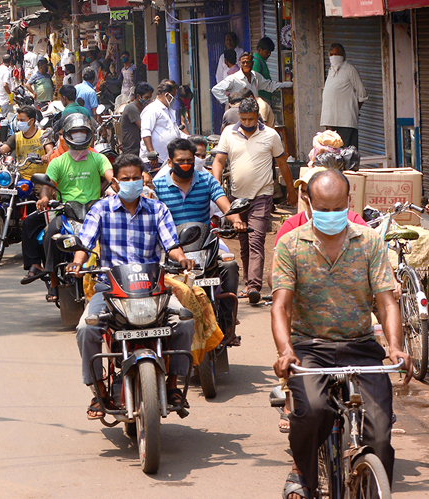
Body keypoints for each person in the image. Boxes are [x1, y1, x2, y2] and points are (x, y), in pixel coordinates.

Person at [272, 169, 413, 499]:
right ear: (307, 202)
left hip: (361, 346)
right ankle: (303, 476)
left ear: (349, 202)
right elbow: (280, 306)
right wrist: (285, 351)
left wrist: (395, 346)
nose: (331, 216)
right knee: (313, 411)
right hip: (310, 347)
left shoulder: (369, 243)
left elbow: (387, 303)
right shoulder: (290, 245)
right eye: (324, 209)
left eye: (338, 209)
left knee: (380, 433)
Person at [67, 153, 195, 419]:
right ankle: (98, 390)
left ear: (144, 179)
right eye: (126, 179)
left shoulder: (157, 209)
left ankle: (173, 385)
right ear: (115, 182)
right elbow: (85, 243)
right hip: (110, 290)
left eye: (137, 178)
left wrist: (182, 258)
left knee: (184, 321)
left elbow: (171, 244)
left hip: (151, 289)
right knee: (85, 328)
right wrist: (77, 263)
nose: (132, 183)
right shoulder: (100, 209)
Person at [153, 137, 245, 333]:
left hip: (205, 244)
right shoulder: (158, 186)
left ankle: (228, 321)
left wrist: (235, 220)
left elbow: (224, 203)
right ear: (170, 162)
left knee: (229, 264)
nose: (186, 165)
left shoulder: (206, 180)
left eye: (189, 161)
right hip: (171, 247)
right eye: (180, 161)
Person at [212, 97, 296, 302]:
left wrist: (291, 189)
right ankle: (249, 282)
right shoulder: (228, 133)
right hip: (236, 198)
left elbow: (283, 164)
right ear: (238, 117)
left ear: (258, 117)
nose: (247, 123)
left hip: (262, 195)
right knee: (243, 241)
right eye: (244, 119)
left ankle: (253, 286)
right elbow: (219, 161)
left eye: (251, 119)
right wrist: (214, 188)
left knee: (256, 239)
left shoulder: (270, 135)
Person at [27, 116, 114, 300]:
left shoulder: (99, 158)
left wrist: (117, 186)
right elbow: (47, 183)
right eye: (75, 133)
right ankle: (53, 281)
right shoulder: (58, 161)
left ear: (89, 135)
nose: (79, 136)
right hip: (67, 212)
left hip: (94, 212)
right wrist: (44, 197)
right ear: (66, 135)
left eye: (82, 132)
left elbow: (110, 176)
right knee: (50, 233)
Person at [319, 43, 366, 150]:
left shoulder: (350, 70)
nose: (334, 57)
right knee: (332, 153)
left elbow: (362, 94)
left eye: (337, 54)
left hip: (346, 122)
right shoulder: (331, 71)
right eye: (331, 54)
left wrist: (353, 110)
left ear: (343, 55)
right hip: (330, 120)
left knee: (346, 153)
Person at [211, 52, 287, 105]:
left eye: (248, 62)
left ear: (252, 63)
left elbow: (269, 86)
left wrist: (289, 84)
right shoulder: (233, 78)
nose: (246, 64)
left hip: (253, 113)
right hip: (239, 114)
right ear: (240, 63)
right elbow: (216, 90)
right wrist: (230, 103)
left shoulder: (256, 76)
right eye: (243, 62)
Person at [140, 79, 183, 162]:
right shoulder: (152, 109)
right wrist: (152, 153)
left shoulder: (168, 111)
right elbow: (146, 133)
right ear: (166, 95)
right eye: (173, 96)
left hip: (167, 159)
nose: (174, 99)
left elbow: (175, 130)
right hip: (155, 160)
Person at [119, 82, 153, 157]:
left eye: (150, 98)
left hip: (139, 149)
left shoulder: (143, 108)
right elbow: (144, 127)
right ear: (138, 96)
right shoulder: (132, 108)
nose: (148, 100)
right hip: (131, 151)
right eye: (146, 98)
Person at [251, 37, 276, 104]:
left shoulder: (261, 62)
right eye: (267, 52)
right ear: (259, 50)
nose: (269, 54)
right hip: (261, 99)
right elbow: (254, 82)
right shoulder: (256, 62)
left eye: (270, 52)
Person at [0, 54, 15, 121]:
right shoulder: (7, 71)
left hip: (0, 98)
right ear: (10, 61)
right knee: (8, 120)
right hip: (6, 100)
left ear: (2, 60)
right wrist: (10, 94)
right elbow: (5, 84)